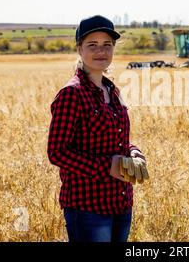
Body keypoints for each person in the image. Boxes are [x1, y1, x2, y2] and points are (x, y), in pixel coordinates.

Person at [47, 15, 145, 242]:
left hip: (121, 202)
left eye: (107, 45)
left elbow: (117, 140)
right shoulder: (72, 94)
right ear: (79, 49)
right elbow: (57, 152)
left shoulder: (112, 90)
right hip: (88, 207)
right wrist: (106, 166)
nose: (101, 51)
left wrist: (133, 151)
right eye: (93, 45)